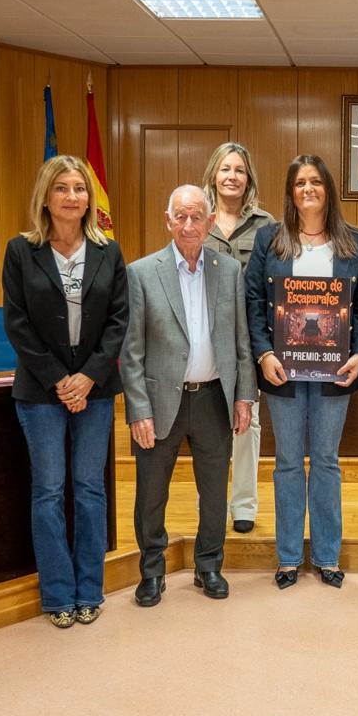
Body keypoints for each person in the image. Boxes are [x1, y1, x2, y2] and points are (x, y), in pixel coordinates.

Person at [2, 155, 129, 629]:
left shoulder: (108, 252)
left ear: (89, 198)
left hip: (94, 391)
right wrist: (59, 379)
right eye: (62, 188)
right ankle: (57, 595)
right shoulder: (21, 250)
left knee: (91, 490)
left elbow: (119, 322)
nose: (72, 196)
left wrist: (88, 377)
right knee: (49, 491)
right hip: (40, 392)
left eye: (79, 188)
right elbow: (17, 324)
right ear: (46, 196)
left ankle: (88, 589)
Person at [245, 155, 358, 590]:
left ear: (328, 189)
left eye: (316, 182)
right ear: (290, 191)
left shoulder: (354, 241)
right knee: (286, 462)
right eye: (300, 182)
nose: (308, 189)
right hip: (282, 370)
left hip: (335, 370)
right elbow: (252, 301)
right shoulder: (270, 240)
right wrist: (264, 354)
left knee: (325, 460)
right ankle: (286, 557)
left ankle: (325, 555)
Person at [120, 184, 255, 607]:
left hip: (215, 397)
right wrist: (137, 410)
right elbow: (131, 352)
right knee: (151, 491)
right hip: (160, 402)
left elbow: (242, 342)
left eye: (198, 216)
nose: (189, 225)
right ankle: (152, 571)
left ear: (211, 222)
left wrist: (244, 397)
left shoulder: (229, 271)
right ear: (168, 220)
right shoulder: (142, 273)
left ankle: (209, 565)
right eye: (181, 216)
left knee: (214, 490)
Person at [202, 142, 276, 535]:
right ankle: (210, 502)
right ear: (214, 173)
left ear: (249, 179)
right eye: (225, 169)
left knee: (248, 420)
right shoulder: (198, 218)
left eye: (240, 170)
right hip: (204, 338)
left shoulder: (267, 224)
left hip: (251, 337)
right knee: (208, 422)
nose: (232, 176)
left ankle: (244, 504)